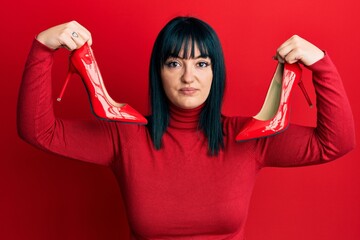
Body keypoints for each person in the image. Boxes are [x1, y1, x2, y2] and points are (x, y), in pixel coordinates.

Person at [17, 17, 355, 239]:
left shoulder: (248, 140)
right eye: (175, 63)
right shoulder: (125, 136)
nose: (188, 77)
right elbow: (39, 131)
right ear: (159, 72)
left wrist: (321, 64)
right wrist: (43, 47)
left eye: (201, 63)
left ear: (215, 72)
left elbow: (335, 142)